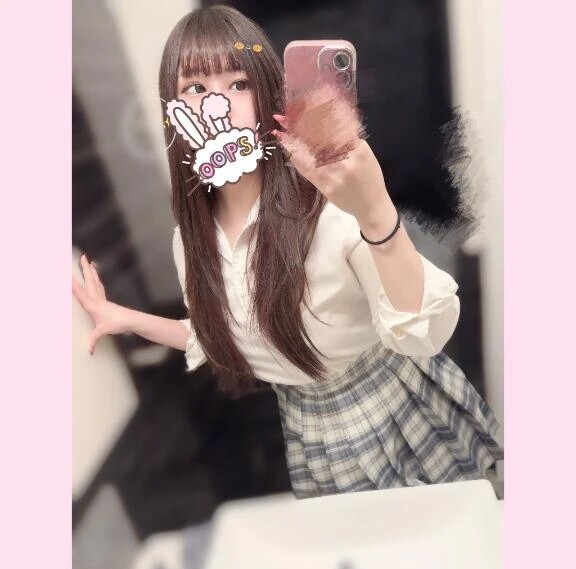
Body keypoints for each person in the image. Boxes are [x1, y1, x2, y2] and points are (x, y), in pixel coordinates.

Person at [72, 5, 503, 499]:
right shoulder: (189, 244)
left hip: (403, 411)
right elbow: (220, 335)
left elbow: (424, 330)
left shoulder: (330, 210)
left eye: (238, 84)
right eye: (195, 87)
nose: (217, 104)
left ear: (265, 96)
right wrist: (125, 319)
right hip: (310, 434)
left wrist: (376, 214)